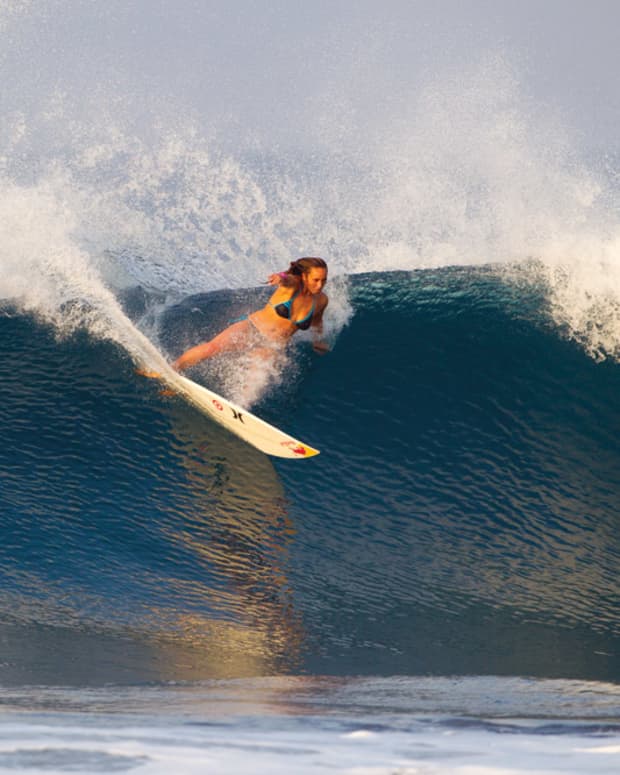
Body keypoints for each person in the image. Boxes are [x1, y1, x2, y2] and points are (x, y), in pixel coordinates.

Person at [172, 257, 329, 372]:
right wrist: (279, 277)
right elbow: (286, 278)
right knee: (211, 349)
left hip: (272, 346)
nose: (320, 285)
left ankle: (238, 409)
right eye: (316, 280)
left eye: (324, 280)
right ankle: (173, 370)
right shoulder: (293, 285)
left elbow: (316, 321)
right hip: (252, 328)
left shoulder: (321, 300)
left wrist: (318, 341)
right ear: (303, 276)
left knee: (254, 384)